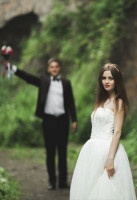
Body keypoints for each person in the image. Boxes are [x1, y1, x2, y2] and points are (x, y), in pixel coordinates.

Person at [70, 63, 137, 200]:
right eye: (104, 78)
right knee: (89, 188)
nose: (106, 81)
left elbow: (117, 132)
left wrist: (110, 159)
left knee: (106, 189)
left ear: (117, 80)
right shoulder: (103, 100)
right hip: (91, 149)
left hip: (107, 149)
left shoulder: (118, 102)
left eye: (111, 78)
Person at [12, 58, 77, 190]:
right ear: (48, 69)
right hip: (48, 121)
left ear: (60, 69)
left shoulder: (66, 83)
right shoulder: (43, 81)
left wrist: (74, 120)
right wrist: (14, 69)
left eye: (56, 67)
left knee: (63, 152)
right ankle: (52, 182)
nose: (54, 69)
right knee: (50, 152)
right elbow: (28, 78)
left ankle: (63, 182)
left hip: (63, 121)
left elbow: (71, 103)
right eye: (52, 67)